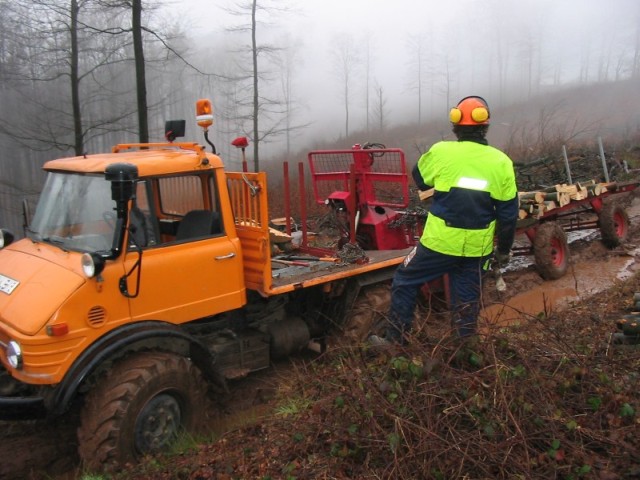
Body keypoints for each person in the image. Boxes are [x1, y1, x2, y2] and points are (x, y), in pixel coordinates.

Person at [378, 95, 519, 345]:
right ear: (485, 125)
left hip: (439, 244)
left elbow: (420, 177)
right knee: (467, 300)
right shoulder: (502, 162)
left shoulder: (442, 150)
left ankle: (395, 342)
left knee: (404, 279)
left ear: (455, 126)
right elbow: (508, 215)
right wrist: (504, 251)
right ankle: (464, 352)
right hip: (478, 248)